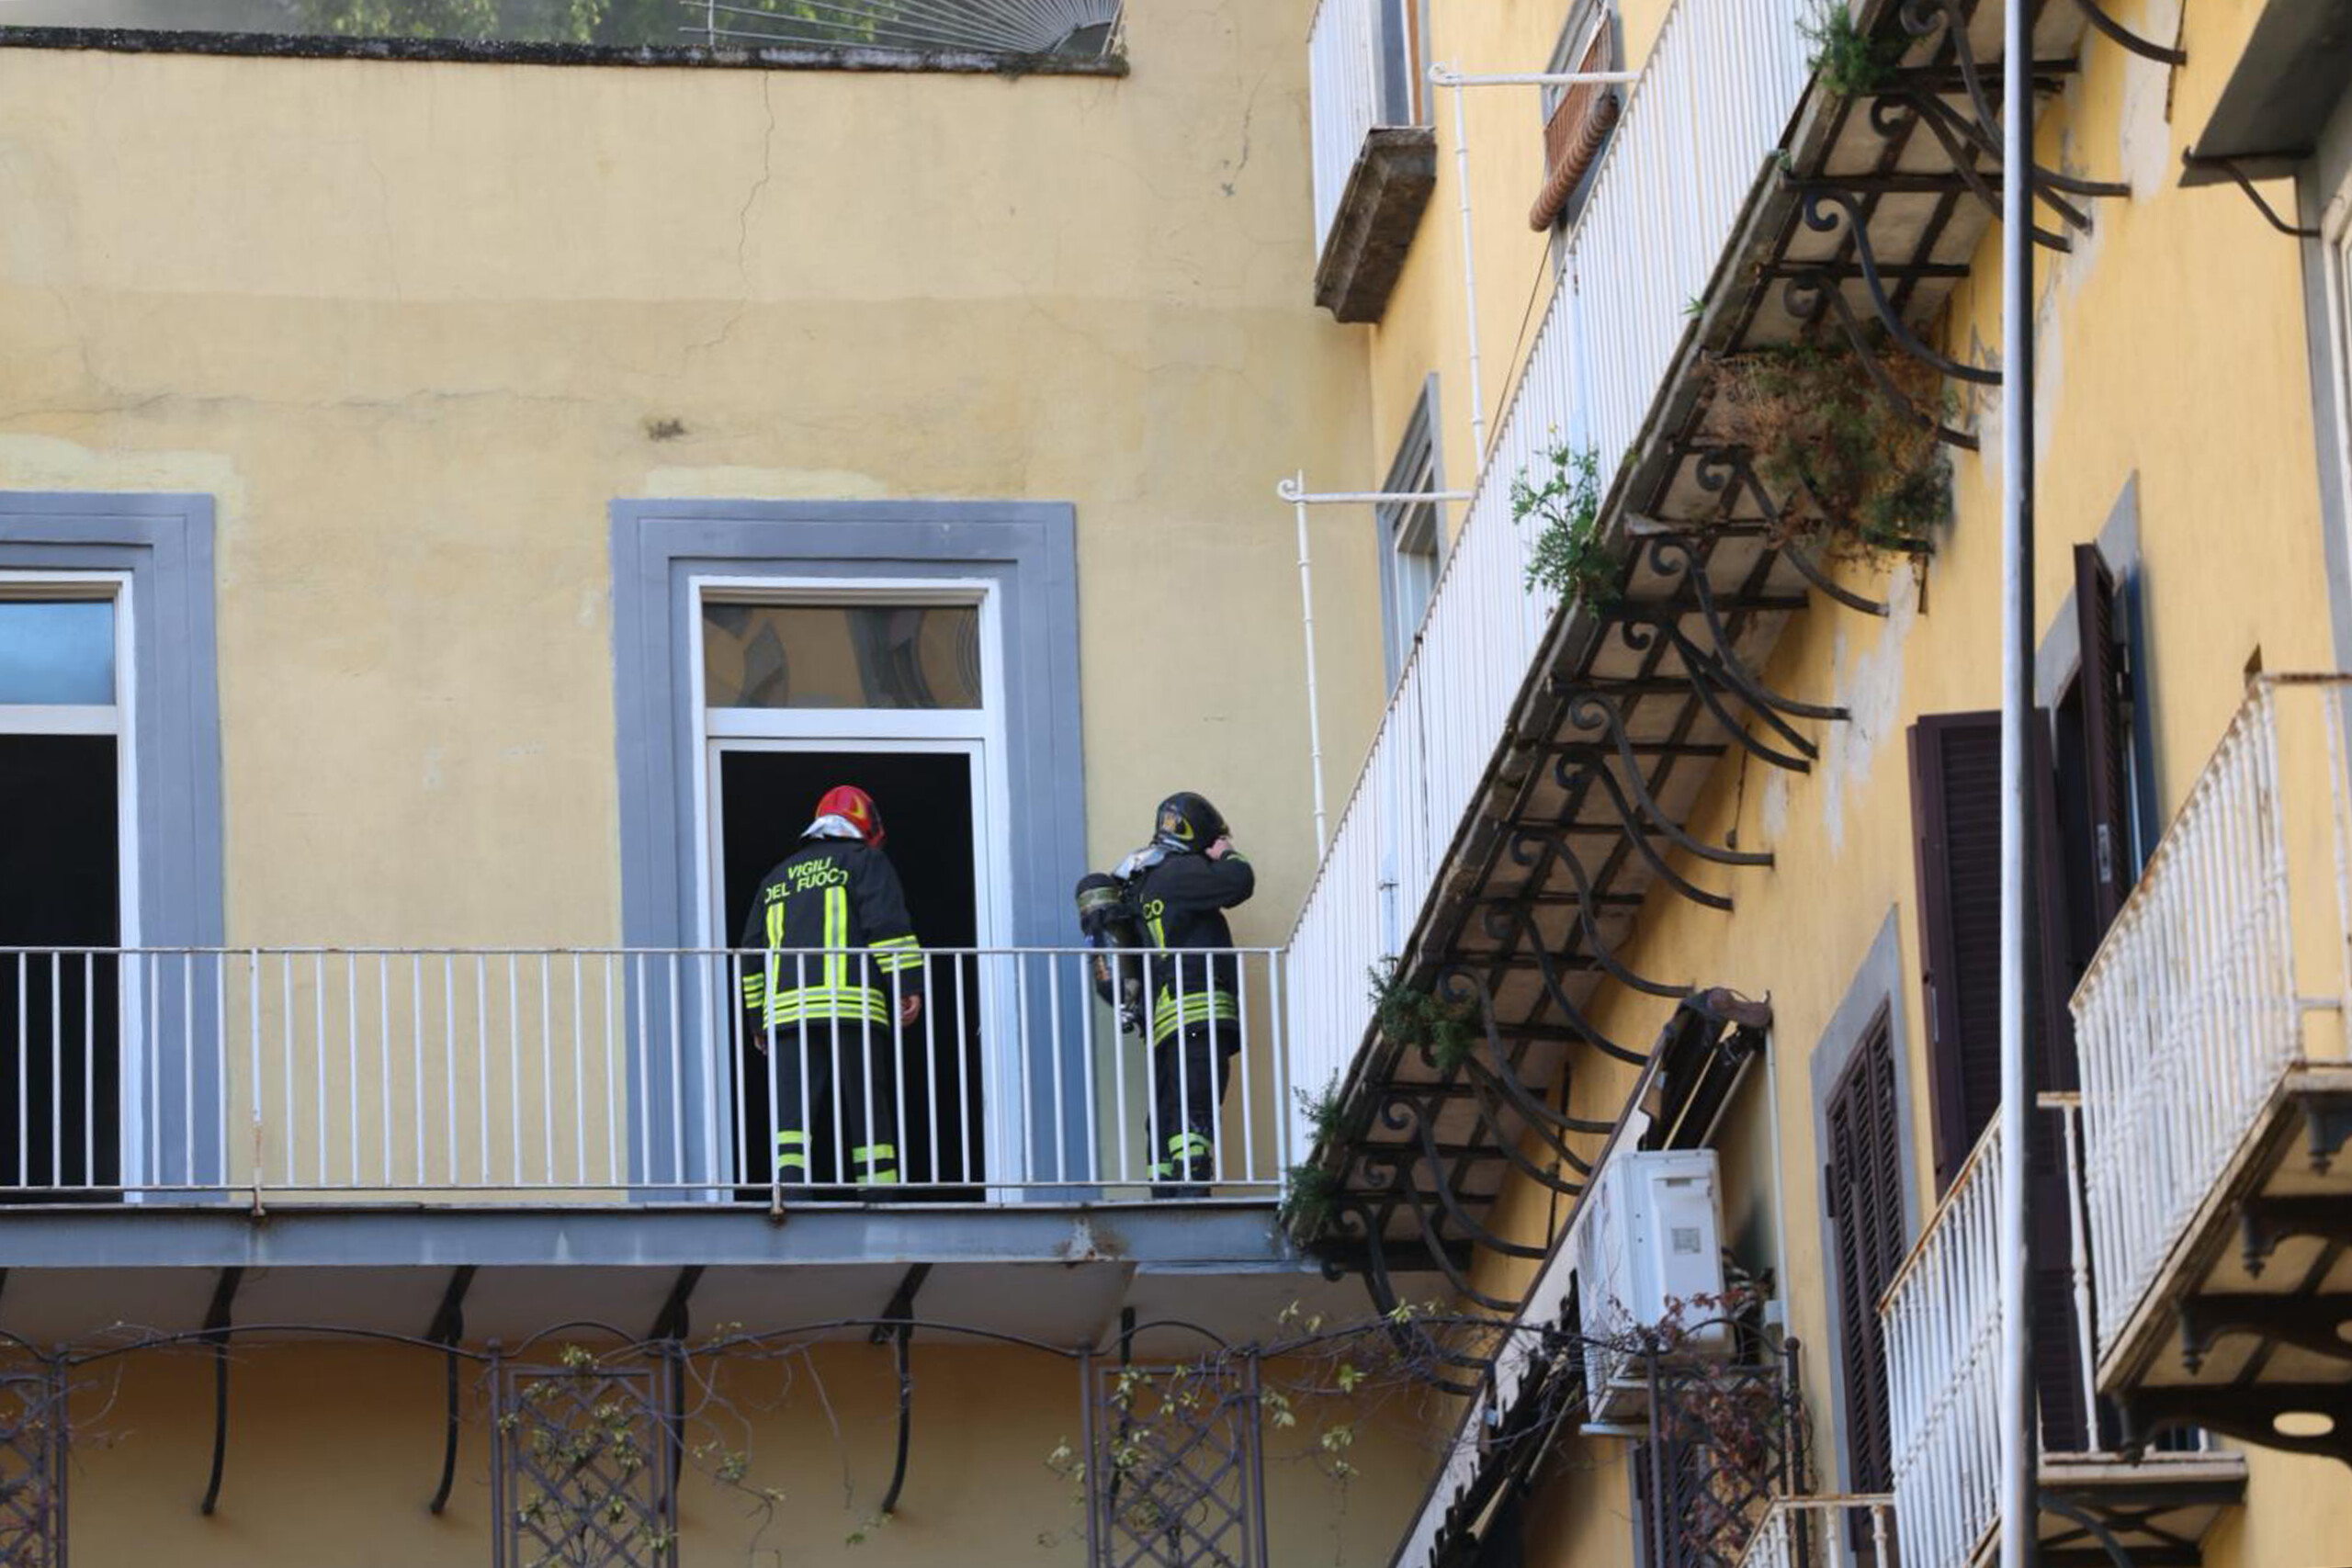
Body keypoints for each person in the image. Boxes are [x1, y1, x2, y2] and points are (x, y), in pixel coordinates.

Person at [739, 784, 923, 1191]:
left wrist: (758, 1019)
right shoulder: (865, 862)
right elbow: (886, 927)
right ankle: (880, 1192)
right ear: (866, 826)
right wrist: (907, 984)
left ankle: (790, 1193)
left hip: (788, 1015)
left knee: (792, 1117)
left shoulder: (776, 877)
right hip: (851, 1005)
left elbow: (751, 955)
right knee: (865, 1105)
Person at [1118, 791, 1253, 1198]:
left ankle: (1165, 1189)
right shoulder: (1183, 872)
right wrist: (1226, 854)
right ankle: (1193, 1186)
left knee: (1167, 1104)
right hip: (1198, 1008)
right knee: (1197, 1096)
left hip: (1162, 1018)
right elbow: (1240, 883)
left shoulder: (1140, 886)